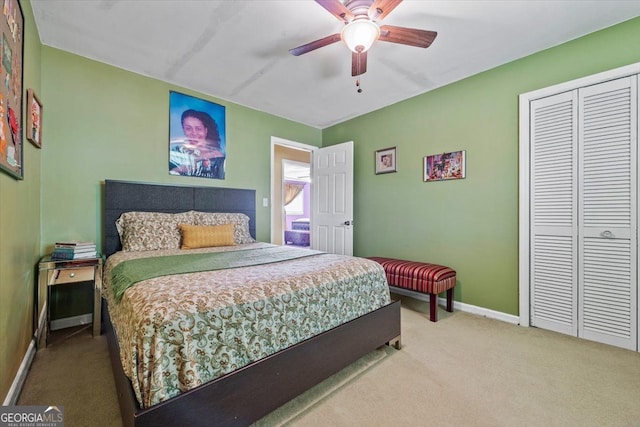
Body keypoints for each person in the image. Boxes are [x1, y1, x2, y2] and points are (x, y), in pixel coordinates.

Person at [169, 109, 225, 179]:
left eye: (198, 129)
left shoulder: (217, 157)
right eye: (188, 128)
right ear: (183, 130)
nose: (194, 133)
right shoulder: (176, 152)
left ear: (205, 130)